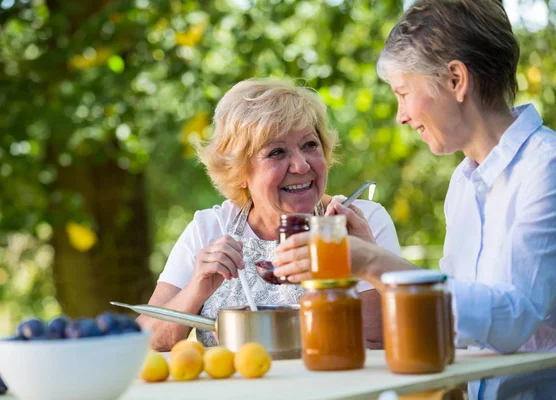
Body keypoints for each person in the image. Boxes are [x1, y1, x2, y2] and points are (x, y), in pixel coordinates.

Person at [275, 1, 556, 398]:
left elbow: (515, 317)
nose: (400, 115)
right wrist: (373, 263)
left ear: (456, 79)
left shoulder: (547, 168)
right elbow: (451, 309)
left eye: (403, 93)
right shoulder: (464, 182)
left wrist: (372, 262)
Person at [138, 78, 401, 350]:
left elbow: (378, 342)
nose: (300, 165)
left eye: (310, 145)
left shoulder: (361, 221)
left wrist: (363, 259)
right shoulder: (209, 228)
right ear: (238, 172)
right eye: (277, 152)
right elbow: (145, 342)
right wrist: (196, 290)